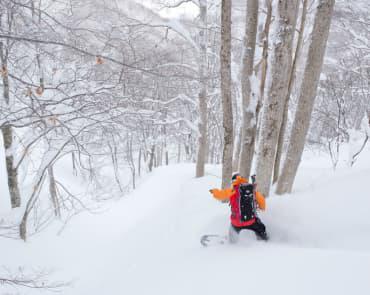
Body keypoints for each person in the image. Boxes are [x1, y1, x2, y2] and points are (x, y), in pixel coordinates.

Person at [210, 173, 269, 243]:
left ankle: (231, 241)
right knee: (261, 228)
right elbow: (262, 200)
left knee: (233, 231)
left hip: (236, 223)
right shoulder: (252, 190)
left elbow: (221, 194)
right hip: (251, 221)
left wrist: (214, 192)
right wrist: (261, 208)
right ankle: (265, 240)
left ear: (233, 181)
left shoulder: (232, 190)